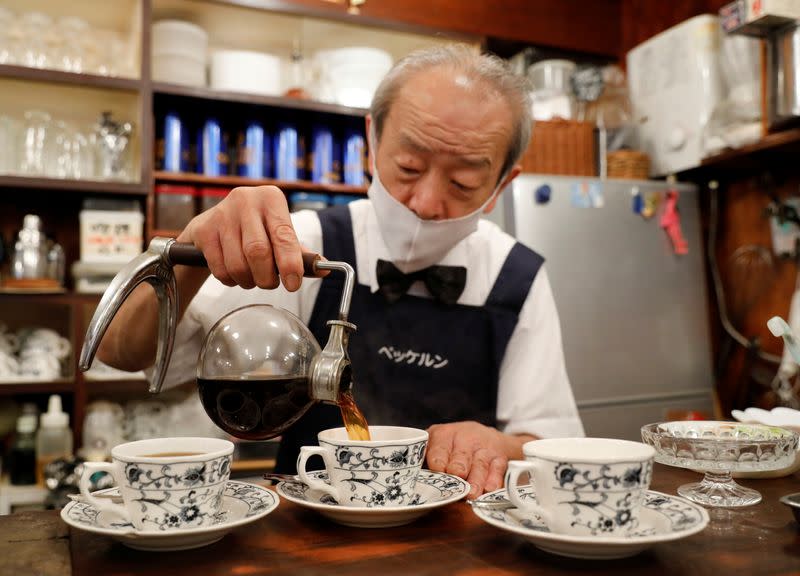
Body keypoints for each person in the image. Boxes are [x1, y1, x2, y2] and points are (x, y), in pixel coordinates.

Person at [97, 44, 584, 498]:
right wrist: (189, 252)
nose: (426, 202)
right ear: (371, 139)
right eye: (409, 167)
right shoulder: (302, 245)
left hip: (458, 540)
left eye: (463, 182)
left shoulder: (517, 276)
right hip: (311, 530)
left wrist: (499, 445)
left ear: (502, 183)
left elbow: (552, 444)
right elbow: (124, 352)